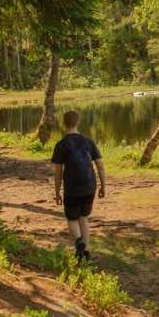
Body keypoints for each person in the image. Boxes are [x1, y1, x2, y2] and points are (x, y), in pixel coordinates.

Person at [51, 110, 106, 262]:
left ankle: (78, 241)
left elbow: (58, 172)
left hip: (72, 188)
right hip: (89, 186)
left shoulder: (61, 144)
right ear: (78, 122)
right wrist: (103, 186)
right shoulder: (88, 142)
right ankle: (85, 252)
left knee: (72, 218)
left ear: (64, 124)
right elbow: (100, 166)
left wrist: (57, 192)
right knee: (83, 218)